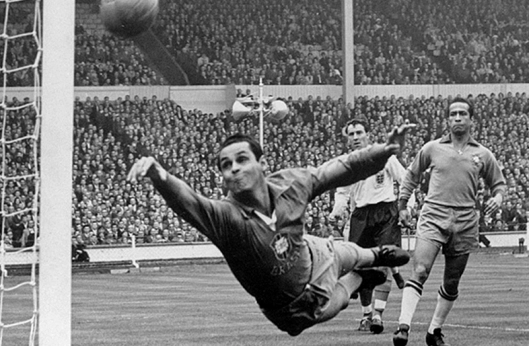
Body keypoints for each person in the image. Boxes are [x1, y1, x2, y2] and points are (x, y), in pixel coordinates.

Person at [127, 125, 415, 336]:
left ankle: (374, 254)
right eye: (226, 166)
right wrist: (160, 175)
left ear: (261, 164)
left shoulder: (293, 183)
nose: (234, 169)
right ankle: (360, 279)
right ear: (224, 178)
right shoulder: (227, 219)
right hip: (295, 304)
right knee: (336, 300)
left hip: (313, 252)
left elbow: (341, 168)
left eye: (242, 159)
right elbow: (190, 202)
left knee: (347, 251)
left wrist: (384, 151)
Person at [393, 96, 506, 346]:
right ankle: (403, 327)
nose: (457, 117)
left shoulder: (483, 154)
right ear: (447, 119)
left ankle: (434, 331)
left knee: (452, 281)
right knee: (420, 270)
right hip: (434, 215)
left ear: (470, 119)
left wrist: (497, 198)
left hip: (465, 220)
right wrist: (402, 205)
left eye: (462, 114)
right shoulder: (432, 148)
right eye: (453, 114)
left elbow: (499, 185)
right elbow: (411, 175)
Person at [330, 117, 409, 335]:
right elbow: (342, 192)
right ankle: (366, 314)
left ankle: (377, 315)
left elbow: (405, 179)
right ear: (347, 139)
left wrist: (406, 207)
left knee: (384, 260)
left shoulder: (383, 155)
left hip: (386, 211)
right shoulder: (346, 163)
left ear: (367, 134)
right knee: (361, 266)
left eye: (359, 132)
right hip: (361, 216)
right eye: (351, 134)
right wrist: (337, 210)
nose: (355, 137)